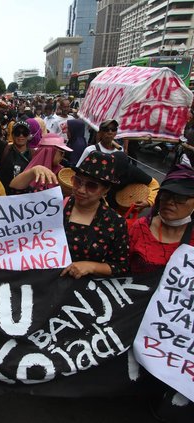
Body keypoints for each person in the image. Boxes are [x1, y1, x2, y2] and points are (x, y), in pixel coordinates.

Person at [128, 165, 194, 422]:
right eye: (166, 196)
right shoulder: (138, 228)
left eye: (180, 198)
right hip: (134, 321)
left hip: (177, 333)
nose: (170, 203)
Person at [59, 151, 129, 279]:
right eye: (78, 181)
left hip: (85, 291)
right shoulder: (55, 206)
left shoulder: (115, 222)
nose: (81, 190)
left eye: (91, 186)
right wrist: (33, 171)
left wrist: (90, 266)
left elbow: (120, 266)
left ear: (106, 189)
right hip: (47, 284)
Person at [0, 101, 33, 194]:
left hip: (26, 203)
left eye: (24, 133)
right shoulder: (4, 149)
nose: (21, 136)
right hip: (5, 201)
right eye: (17, 133)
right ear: (12, 135)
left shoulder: (34, 155)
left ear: (29, 136)